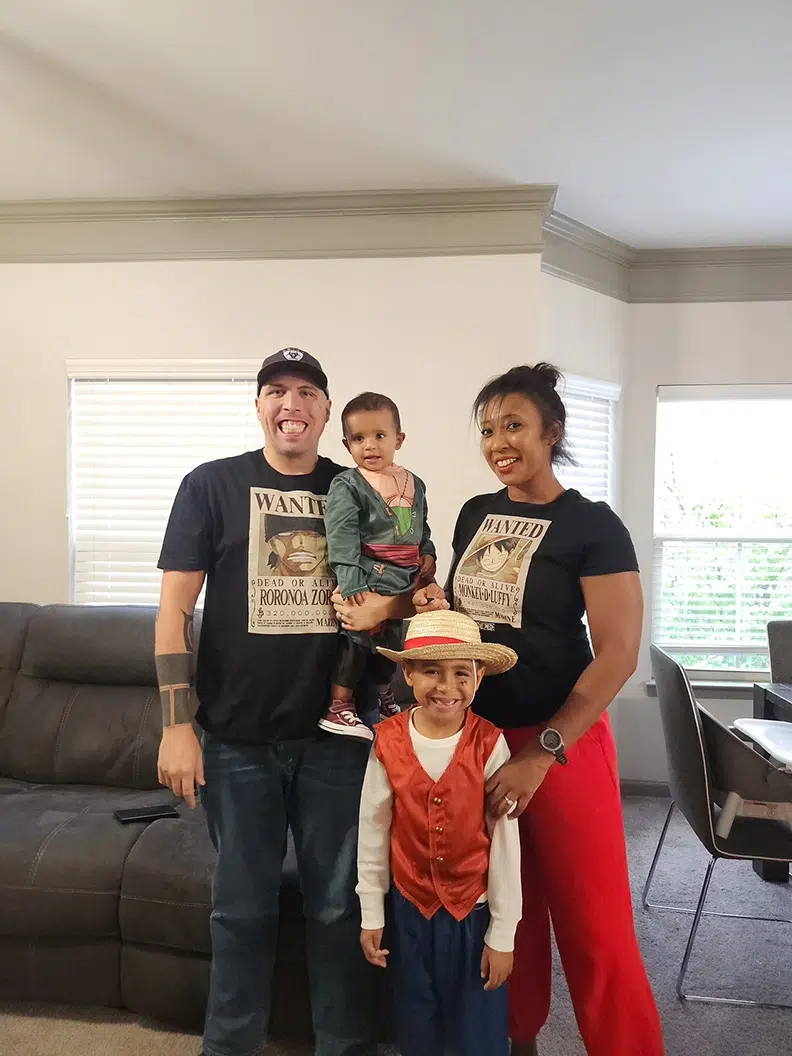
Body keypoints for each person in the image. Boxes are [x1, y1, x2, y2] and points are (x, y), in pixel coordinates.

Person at [333, 363, 664, 1056]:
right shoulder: (478, 513)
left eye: (514, 425)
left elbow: (619, 654)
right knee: (506, 909)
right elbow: (467, 621)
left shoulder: (592, 527)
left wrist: (542, 752)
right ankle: (517, 1039)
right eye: (487, 428)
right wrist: (415, 609)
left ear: (553, 432)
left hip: (560, 740)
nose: (498, 441)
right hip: (479, 740)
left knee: (594, 923)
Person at [155, 347, 386, 1056]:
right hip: (235, 742)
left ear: (326, 411)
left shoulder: (361, 491)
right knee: (241, 912)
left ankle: (344, 1046)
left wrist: (400, 598)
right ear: (258, 406)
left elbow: (394, 586)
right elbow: (173, 612)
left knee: (338, 908)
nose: (292, 403)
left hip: (336, 742)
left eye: (309, 392)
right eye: (276, 391)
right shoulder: (210, 486)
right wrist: (175, 724)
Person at [356, 610, 522, 1056]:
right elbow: (372, 831)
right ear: (408, 673)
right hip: (410, 911)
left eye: (460, 674)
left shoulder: (491, 744)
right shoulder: (386, 741)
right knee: (417, 1022)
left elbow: (506, 846)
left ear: (479, 676)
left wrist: (503, 934)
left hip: (473, 912)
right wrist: (372, 911)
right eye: (432, 671)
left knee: (478, 1030)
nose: (447, 688)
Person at [319, 392, 437, 740]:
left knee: (392, 645)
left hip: (403, 579)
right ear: (347, 444)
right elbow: (341, 537)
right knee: (355, 637)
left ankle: (384, 694)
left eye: (380, 436)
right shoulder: (348, 485)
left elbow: (420, 527)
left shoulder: (414, 483)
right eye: (359, 438)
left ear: (399, 439)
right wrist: (350, 580)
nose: (369, 446)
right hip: (367, 574)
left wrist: (427, 551)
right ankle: (338, 704)